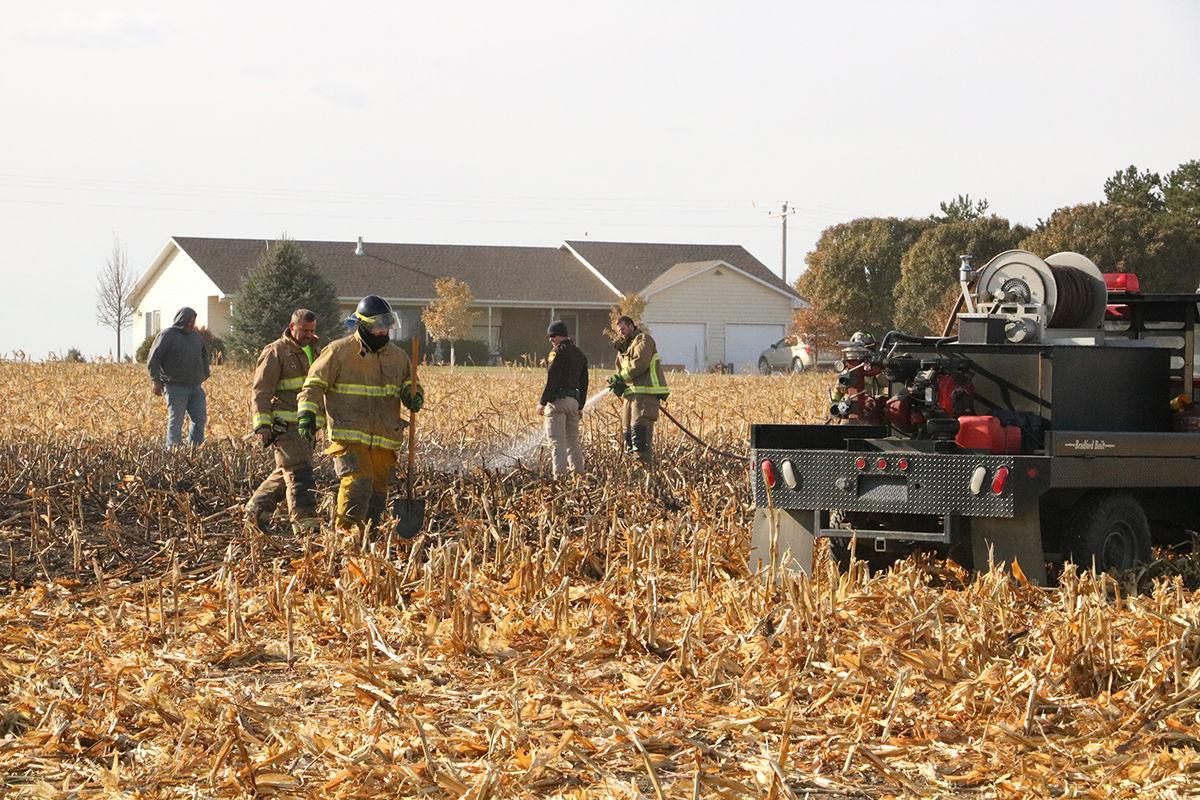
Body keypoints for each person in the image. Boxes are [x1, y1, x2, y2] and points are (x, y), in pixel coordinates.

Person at [296, 295, 423, 531]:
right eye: (377, 325)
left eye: (386, 325)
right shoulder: (338, 352)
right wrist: (307, 415)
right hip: (349, 436)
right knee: (358, 484)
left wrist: (413, 395)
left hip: (385, 439)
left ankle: (369, 542)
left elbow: (410, 383)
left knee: (377, 493)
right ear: (362, 324)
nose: (382, 331)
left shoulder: (398, 357)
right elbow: (313, 385)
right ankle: (346, 539)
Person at [245, 309, 323, 532]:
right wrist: (262, 424)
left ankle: (256, 509)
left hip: (308, 426)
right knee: (299, 473)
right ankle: (305, 525)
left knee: (288, 470)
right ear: (292, 327)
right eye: (304, 330)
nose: (308, 335)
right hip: (286, 426)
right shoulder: (276, 352)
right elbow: (261, 390)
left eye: (312, 330)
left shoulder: (316, 351)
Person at [608, 315, 668, 464]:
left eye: (623, 329)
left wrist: (621, 377)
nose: (621, 332)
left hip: (645, 395)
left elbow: (640, 363)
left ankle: (644, 470)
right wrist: (617, 382)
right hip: (630, 397)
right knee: (628, 434)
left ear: (631, 326)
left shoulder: (643, 340)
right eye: (619, 330)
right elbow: (620, 369)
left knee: (640, 434)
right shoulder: (623, 348)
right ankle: (633, 471)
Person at [146, 307, 210, 447]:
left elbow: (204, 357)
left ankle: (195, 447)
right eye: (188, 321)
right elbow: (154, 359)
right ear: (181, 320)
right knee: (177, 420)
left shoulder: (195, 337)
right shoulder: (167, 335)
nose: (190, 324)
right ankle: (173, 449)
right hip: (175, 386)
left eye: (192, 322)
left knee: (200, 419)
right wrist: (156, 381)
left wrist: (205, 374)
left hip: (195, 386)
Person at [538, 320, 588, 479]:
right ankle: (579, 476)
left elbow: (552, 380)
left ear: (559, 336)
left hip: (557, 403)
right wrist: (580, 405)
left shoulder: (556, 353)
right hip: (574, 402)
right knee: (573, 442)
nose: (550, 340)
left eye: (552, 336)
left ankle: (559, 478)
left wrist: (542, 402)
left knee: (557, 442)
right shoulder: (580, 354)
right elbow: (584, 383)